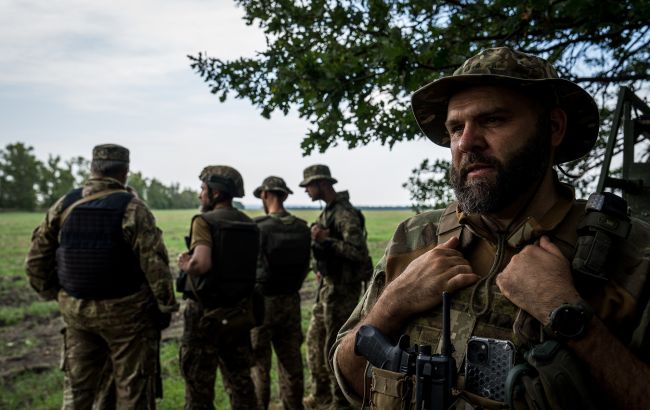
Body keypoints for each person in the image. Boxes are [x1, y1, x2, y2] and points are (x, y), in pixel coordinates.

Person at [331, 47, 650, 410]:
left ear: (554, 127)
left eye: (493, 120)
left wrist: (568, 314)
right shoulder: (416, 236)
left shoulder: (634, 255)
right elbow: (348, 378)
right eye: (455, 128)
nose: (467, 143)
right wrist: (393, 303)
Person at [25, 143, 178, 409]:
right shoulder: (133, 208)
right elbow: (155, 266)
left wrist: (58, 294)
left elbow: (36, 259)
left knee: (77, 391)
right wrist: (165, 307)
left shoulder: (65, 203)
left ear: (93, 168)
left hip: (76, 312)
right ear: (125, 172)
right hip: (127, 316)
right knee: (132, 392)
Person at [176, 165, 259, 410]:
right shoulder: (248, 223)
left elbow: (201, 264)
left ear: (216, 193)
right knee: (241, 382)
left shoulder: (203, 221)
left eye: (204, 189)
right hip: (238, 314)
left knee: (199, 385)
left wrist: (185, 264)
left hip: (205, 315)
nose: (200, 194)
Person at [300, 164, 371, 410]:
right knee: (314, 343)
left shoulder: (343, 213)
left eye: (308, 185)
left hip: (342, 291)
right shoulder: (328, 212)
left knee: (334, 347)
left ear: (321, 184)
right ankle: (321, 396)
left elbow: (358, 252)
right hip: (328, 289)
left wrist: (326, 241)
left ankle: (340, 402)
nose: (306, 191)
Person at [250, 176, 311, 410]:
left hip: (262, 304)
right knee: (291, 365)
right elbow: (305, 266)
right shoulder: (302, 228)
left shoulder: (259, 227)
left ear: (266, 195)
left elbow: (251, 268)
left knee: (259, 366)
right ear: (284, 195)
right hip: (291, 302)